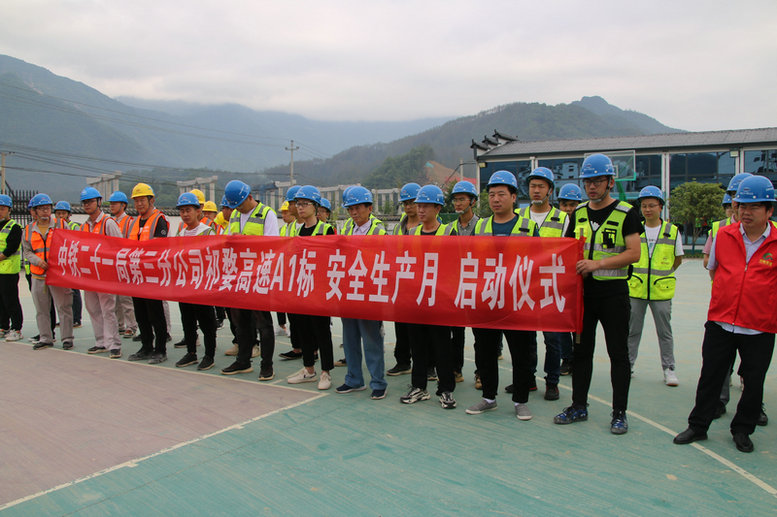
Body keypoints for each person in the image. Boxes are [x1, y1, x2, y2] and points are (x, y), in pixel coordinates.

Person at [673, 175, 776, 453]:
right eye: (741, 205)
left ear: (769, 210)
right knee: (710, 376)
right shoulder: (724, 236)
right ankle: (698, 425)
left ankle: (742, 429)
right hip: (721, 321)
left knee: (753, 382)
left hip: (759, 326)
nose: (745, 211)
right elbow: (714, 270)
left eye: (754, 206)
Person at [554, 153, 642, 434]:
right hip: (583, 296)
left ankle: (619, 413)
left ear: (610, 182)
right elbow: (568, 249)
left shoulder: (626, 213)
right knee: (581, 353)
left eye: (598, 181)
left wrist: (597, 264)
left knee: (618, 354)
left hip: (614, 295)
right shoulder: (578, 213)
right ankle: (578, 406)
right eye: (588, 181)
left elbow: (634, 253)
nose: (592, 186)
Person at [465, 171, 539, 421]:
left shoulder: (529, 227)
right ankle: (489, 397)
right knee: (485, 350)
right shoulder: (481, 226)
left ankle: (520, 400)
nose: (496, 199)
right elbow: (470, 259)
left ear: (514, 197)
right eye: (492, 195)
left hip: (518, 300)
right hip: (487, 298)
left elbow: (538, 262)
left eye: (501, 194)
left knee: (521, 352)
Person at [398, 185, 458, 409]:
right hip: (416, 298)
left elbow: (454, 266)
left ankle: (446, 390)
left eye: (425, 206)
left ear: (438, 208)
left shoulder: (448, 233)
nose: (420, 210)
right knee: (417, 346)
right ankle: (419, 387)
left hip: (439, 299)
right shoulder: (412, 233)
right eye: (419, 206)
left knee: (442, 347)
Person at [515, 167, 570, 401]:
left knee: (552, 338)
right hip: (525, 284)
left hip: (551, 284)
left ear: (550, 190)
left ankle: (552, 382)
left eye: (541, 186)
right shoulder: (518, 214)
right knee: (525, 337)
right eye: (532, 186)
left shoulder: (563, 218)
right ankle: (527, 379)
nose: (536, 190)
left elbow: (567, 252)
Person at [221, 180, 278, 381]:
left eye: (240, 205)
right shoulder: (235, 215)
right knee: (242, 322)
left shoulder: (267, 214)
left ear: (250, 197)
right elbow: (228, 241)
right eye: (234, 206)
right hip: (240, 277)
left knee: (263, 323)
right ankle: (243, 361)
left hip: (260, 277)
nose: (238, 209)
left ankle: (267, 365)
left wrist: (245, 241)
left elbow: (273, 245)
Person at [335, 186, 389, 400]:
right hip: (349, 290)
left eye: (357, 208)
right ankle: (354, 379)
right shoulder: (347, 227)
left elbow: (383, 261)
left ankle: (378, 383)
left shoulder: (379, 230)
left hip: (369, 291)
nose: (354, 212)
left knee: (371, 339)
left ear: (369, 208)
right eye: (350, 209)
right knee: (349, 338)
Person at [627, 186, 683, 385]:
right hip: (636, 289)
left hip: (661, 291)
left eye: (651, 205)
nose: (647, 209)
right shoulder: (635, 229)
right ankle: (628, 365)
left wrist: (662, 275)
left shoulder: (672, 231)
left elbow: (677, 259)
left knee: (664, 332)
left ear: (660, 206)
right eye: (644, 206)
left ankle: (669, 369)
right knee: (632, 331)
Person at [285, 185, 335, 390]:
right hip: (301, 287)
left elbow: (333, 259)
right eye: (298, 204)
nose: (300, 207)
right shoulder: (296, 230)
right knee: (303, 329)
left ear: (315, 206)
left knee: (321, 331)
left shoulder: (326, 229)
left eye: (305, 204)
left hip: (320, 289)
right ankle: (309, 369)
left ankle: (326, 372)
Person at [22, 193, 74, 351]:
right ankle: (45, 338)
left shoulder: (61, 224)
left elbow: (71, 244)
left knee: (64, 307)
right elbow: (27, 251)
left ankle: (67, 338)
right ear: (34, 211)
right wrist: (37, 261)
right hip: (38, 276)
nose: (45, 211)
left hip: (58, 275)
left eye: (48, 208)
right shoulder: (28, 230)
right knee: (41, 309)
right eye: (41, 208)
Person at [173, 192, 218, 370]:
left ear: (198, 211)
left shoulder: (207, 231)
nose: (185, 214)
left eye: (188, 210)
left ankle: (209, 355)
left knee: (207, 322)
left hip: (202, 285)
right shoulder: (181, 233)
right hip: (185, 285)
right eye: (182, 211)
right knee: (187, 320)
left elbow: (214, 258)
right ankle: (191, 353)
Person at [126, 183, 170, 364]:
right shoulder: (134, 222)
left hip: (152, 276)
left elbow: (159, 247)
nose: (139, 204)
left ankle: (160, 349)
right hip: (136, 275)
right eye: (136, 201)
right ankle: (146, 347)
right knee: (141, 314)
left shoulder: (159, 220)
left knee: (155, 314)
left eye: (142, 200)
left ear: (151, 200)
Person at [79, 187, 123, 359]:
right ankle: (101, 342)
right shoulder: (84, 226)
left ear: (98, 202)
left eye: (90, 201)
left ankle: (114, 344)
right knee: (93, 309)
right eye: (84, 202)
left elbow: (119, 247)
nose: (87, 205)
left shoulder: (108, 223)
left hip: (105, 275)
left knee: (108, 310)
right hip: (89, 275)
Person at [387, 182, 421, 378]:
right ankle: (402, 361)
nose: (409, 206)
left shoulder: (429, 224)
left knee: (422, 327)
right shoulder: (399, 226)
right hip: (402, 280)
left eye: (412, 202)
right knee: (401, 325)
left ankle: (427, 365)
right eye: (406, 203)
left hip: (421, 281)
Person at [448, 180, 481, 383]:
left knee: (480, 334)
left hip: (477, 286)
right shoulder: (449, 228)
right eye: (455, 200)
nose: (458, 203)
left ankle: (481, 372)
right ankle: (455, 369)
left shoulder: (483, 226)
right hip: (456, 286)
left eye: (462, 199)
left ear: (473, 202)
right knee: (456, 332)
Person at [556, 183, 583, 376]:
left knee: (580, 323)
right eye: (564, 204)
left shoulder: (584, 223)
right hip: (561, 280)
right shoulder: (558, 222)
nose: (568, 209)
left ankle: (579, 358)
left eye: (572, 205)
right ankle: (567, 358)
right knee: (562, 322)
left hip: (581, 280)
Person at [278, 186, 305, 361]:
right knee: (293, 316)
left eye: (291, 203)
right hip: (290, 276)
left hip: (305, 276)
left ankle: (312, 349)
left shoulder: (312, 226)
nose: (289, 207)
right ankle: (297, 348)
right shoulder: (289, 227)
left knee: (306, 318)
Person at [109, 191, 138, 338]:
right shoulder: (110, 222)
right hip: (113, 264)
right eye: (111, 204)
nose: (112, 206)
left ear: (123, 205)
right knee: (115, 299)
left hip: (125, 264)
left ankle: (131, 326)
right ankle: (119, 325)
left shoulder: (129, 222)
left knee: (126, 299)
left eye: (115, 203)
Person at [53, 200, 82, 328]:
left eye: (63, 213)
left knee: (74, 292)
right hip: (59, 264)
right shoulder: (53, 227)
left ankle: (76, 318)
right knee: (62, 294)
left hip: (71, 263)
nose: (61, 216)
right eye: (58, 213)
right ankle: (65, 318)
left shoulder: (74, 226)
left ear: (69, 214)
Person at [0, 194, 24, 342]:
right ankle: (4, 326)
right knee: (1, 301)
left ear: (9, 210)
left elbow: (11, 248)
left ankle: (16, 328)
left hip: (9, 270)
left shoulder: (15, 227)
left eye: (2, 209)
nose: (0, 212)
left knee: (11, 300)